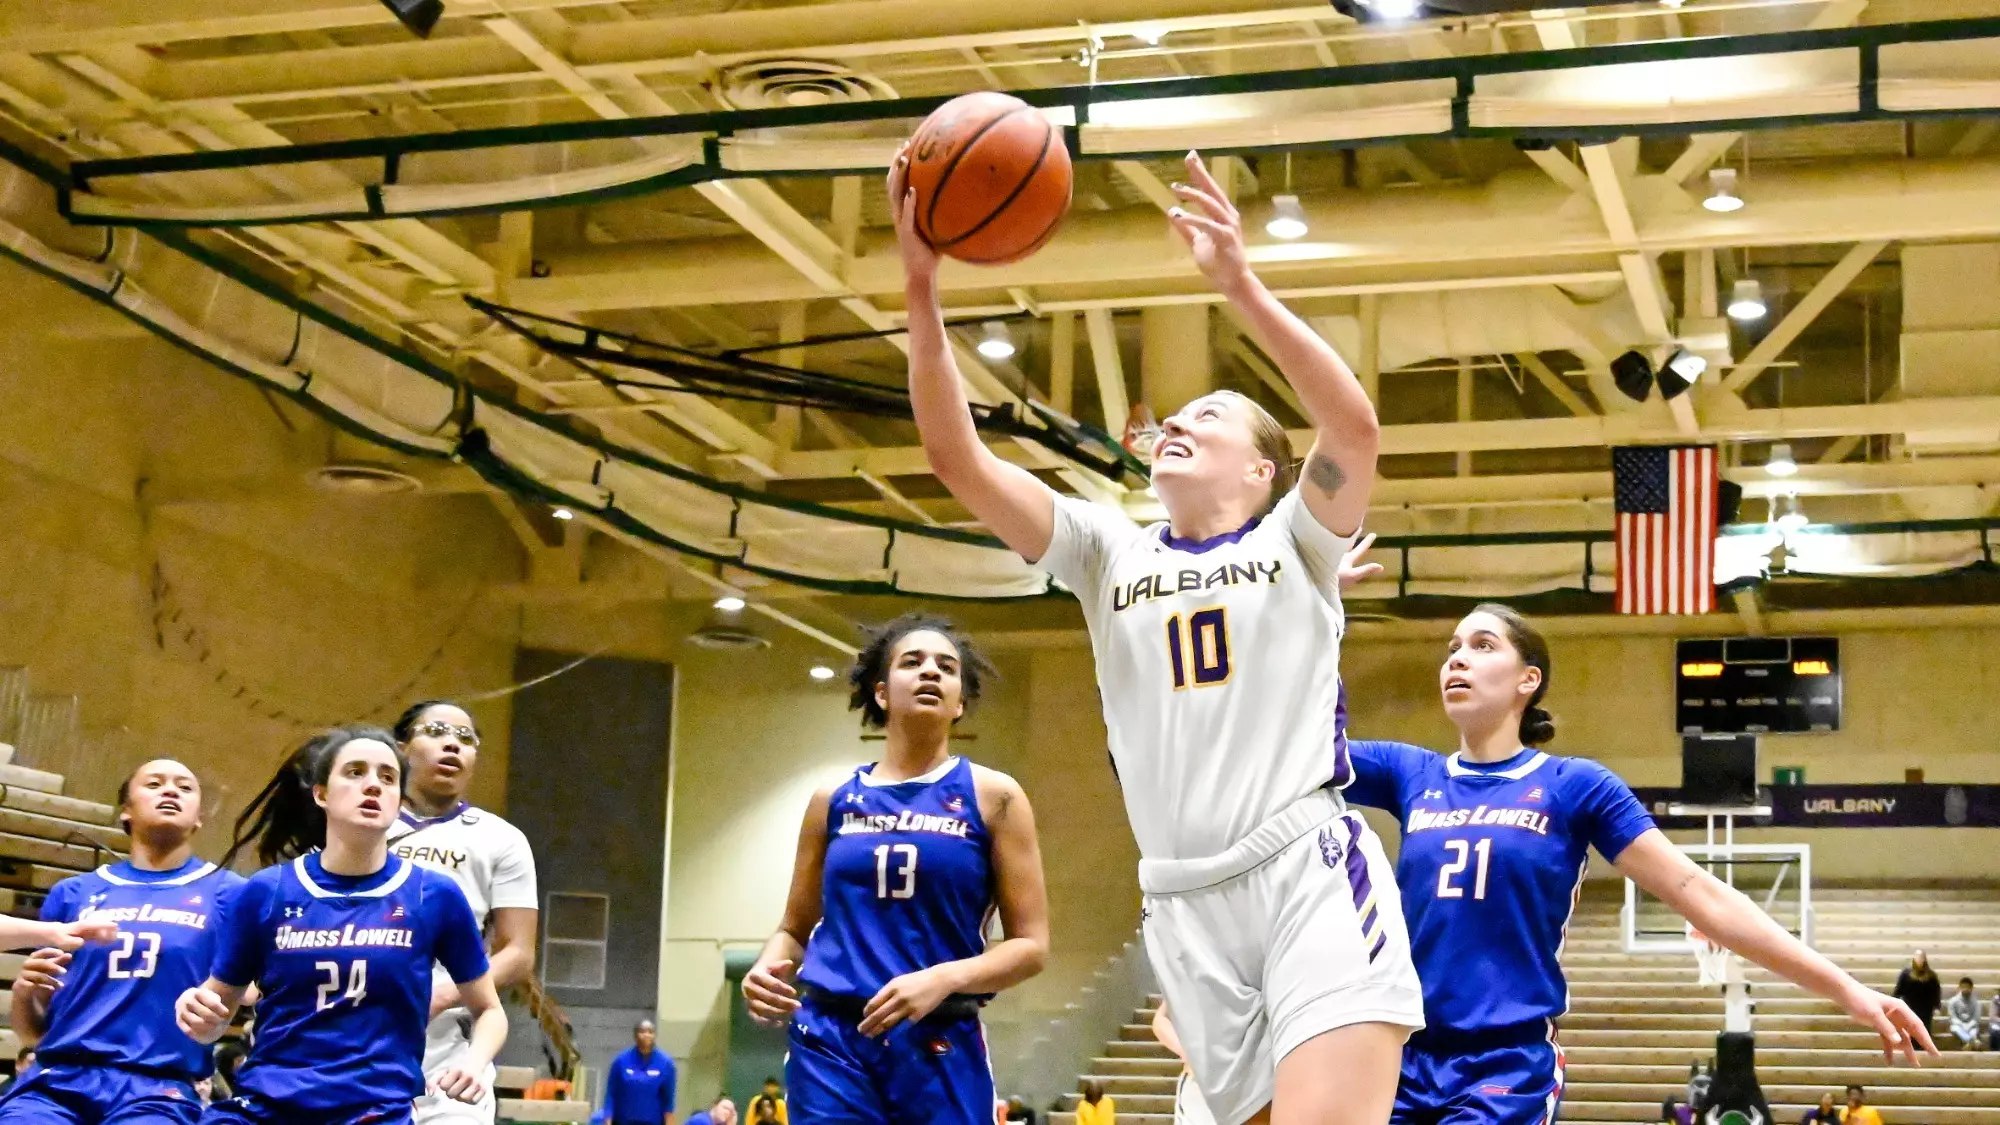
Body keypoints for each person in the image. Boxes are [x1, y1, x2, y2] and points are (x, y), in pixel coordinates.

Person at [894, 143, 1418, 1125]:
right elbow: (951, 456)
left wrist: (1240, 286)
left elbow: (1350, 433)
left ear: (1261, 470)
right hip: (1179, 902)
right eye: (1175, 412)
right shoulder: (1105, 551)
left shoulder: (1294, 544)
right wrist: (921, 285)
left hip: (1302, 870)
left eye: (1208, 413)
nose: (1177, 417)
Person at [1340, 601, 1936, 1125]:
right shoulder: (1409, 772)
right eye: (1452, 650)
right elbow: (1289, 743)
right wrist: (1305, 593)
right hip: (1400, 1051)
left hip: (1505, 1064)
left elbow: (1697, 890)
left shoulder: (1573, 785)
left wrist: (1847, 989)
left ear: (1528, 680)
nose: (1457, 660)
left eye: (1481, 645)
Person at [741, 614, 1050, 1125]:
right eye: (913, 662)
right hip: (833, 1037)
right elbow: (793, 930)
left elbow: (1031, 947)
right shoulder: (832, 801)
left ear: (960, 702)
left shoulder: (996, 797)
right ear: (882, 693)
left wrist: (943, 979)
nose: (930, 672)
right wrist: (766, 967)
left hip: (938, 1035)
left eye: (946, 667)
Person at [180, 727, 507, 1125]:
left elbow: (489, 1010)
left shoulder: (434, 894)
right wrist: (195, 1012)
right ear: (321, 794)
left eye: (387, 777)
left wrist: (474, 1064)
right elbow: (214, 1015)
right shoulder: (267, 891)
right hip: (269, 1105)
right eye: (355, 772)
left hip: (373, 1110)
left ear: (399, 802)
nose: (372, 785)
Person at [2, 759, 242, 1125]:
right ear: (126, 811)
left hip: (160, 1088)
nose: (170, 790)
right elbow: (33, 1033)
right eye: (155, 783)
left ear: (198, 819)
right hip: (60, 1080)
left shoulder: (230, 892)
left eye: (184, 786)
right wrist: (24, 993)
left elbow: (248, 989)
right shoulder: (72, 893)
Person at [385, 701, 540, 1125]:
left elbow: (519, 952)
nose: (452, 744)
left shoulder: (501, 839)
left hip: (451, 1049)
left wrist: (444, 995)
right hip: (361, 1032)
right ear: (400, 749)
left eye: (466, 739)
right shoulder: (363, 825)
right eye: (435, 731)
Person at [598, 1019, 675, 1125]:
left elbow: (669, 1102)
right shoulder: (621, 1061)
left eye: (650, 1032)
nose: (646, 1035)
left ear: (655, 1035)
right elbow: (611, 1095)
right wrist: (607, 1120)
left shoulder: (666, 1063)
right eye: (642, 1031)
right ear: (635, 1035)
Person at [1893, 951, 1941, 1035]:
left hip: (1926, 1008)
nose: (1919, 960)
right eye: (1917, 957)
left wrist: (1937, 1006)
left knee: (1924, 1031)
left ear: (1925, 959)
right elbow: (1898, 990)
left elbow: (1936, 992)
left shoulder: (1931, 975)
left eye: (1921, 957)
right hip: (1910, 1006)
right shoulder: (1905, 974)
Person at [1947, 977, 1981, 1049]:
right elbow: (1952, 1018)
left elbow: (1976, 1018)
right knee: (1955, 1028)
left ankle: (1969, 1044)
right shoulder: (1952, 1001)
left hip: (1972, 1026)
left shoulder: (1977, 1003)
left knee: (1973, 1031)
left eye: (1968, 987)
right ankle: (1972, 1041)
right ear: (1959, 987)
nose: (1965, 989)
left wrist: (1969, 1025)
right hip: (1958, 1025)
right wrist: (1962, 1025)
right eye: (1963, 987)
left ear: (1972, 988)